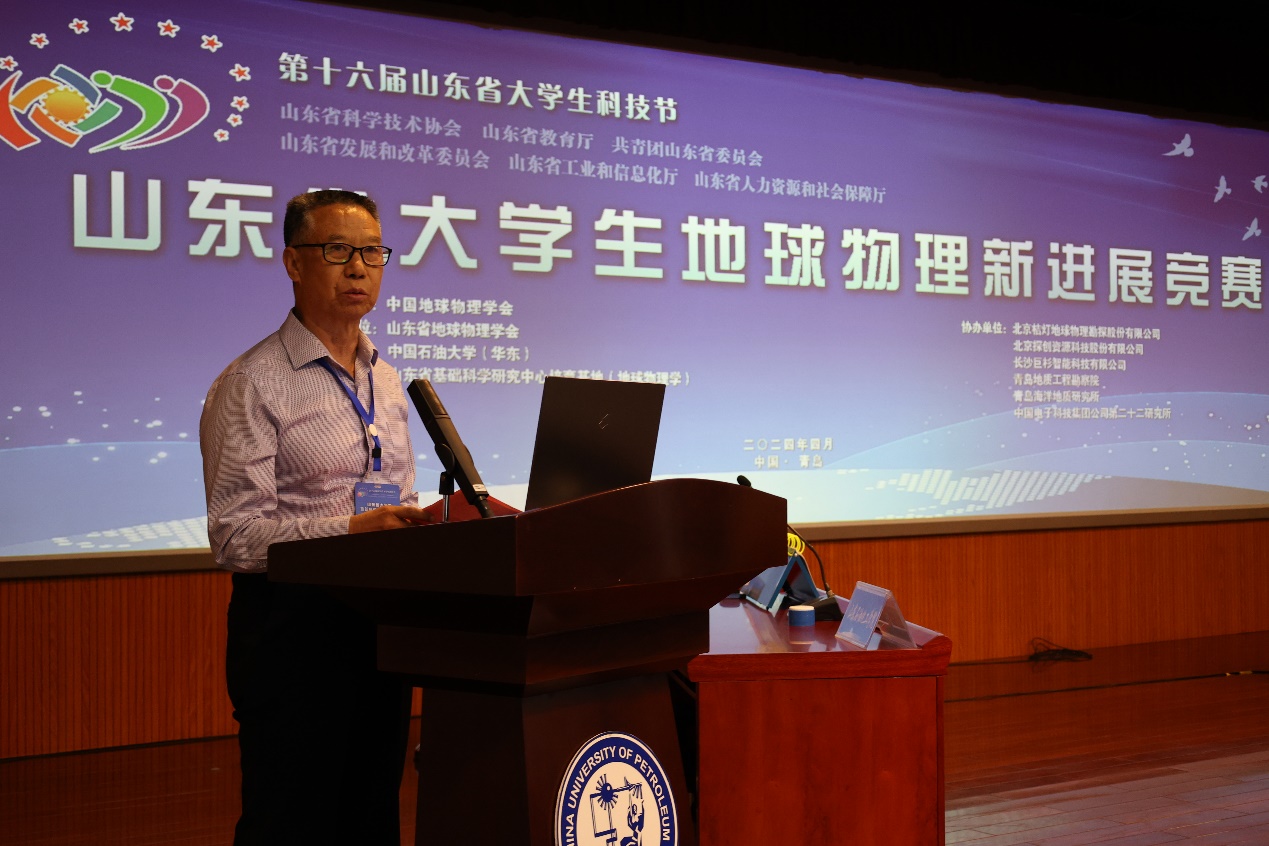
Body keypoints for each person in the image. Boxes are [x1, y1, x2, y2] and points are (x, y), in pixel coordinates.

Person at [200, 189, 432, 845]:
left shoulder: (387, 380)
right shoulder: (252, 382)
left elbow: (395, 492)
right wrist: (349, 533)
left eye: (372, 252)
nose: (358, 267)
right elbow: (235, 537)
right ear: (293, 263)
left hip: (377, 623)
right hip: (291, 631)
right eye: (337, 250)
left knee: (371, 816)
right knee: (291, 820)